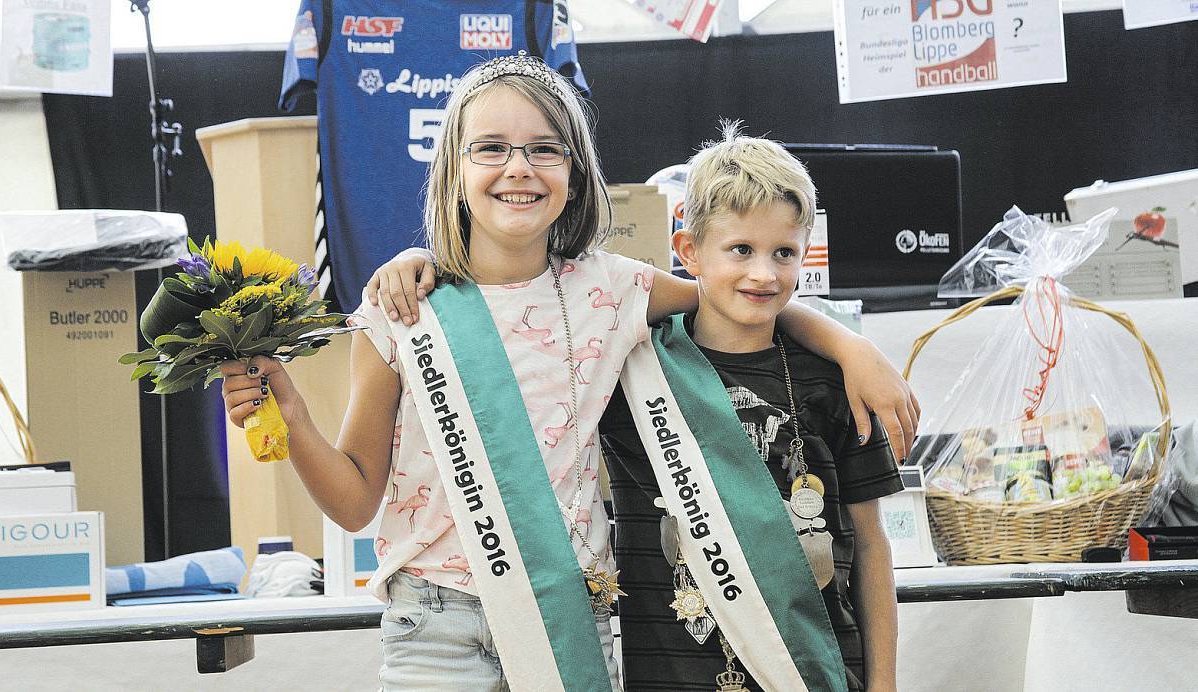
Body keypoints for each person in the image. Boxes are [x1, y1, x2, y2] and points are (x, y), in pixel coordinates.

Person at [231, 52, 911, 690]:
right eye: (491, 148)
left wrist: (853, 348)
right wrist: (292, 418)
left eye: (544, 150)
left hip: (569, 617)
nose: (518, 167)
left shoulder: (612, 290)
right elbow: (353, 504)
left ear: (575, 173)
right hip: (433, 623)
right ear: (453, 170)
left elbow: (738, 293)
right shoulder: (400, 312)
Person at [598, 126, 901, 691]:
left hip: (811, 672)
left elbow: (870, 544)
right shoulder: (634, 373)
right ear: (689, 252)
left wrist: (883, 686)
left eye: (783, 253)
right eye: (741, 249)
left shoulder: (836, 383)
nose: (764, 274)